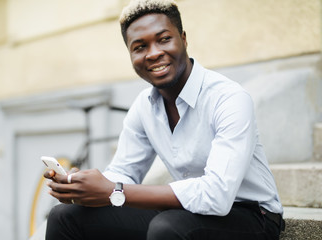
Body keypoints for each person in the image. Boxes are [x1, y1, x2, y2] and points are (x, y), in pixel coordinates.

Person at [44, 0, 285, 239]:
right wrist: (83, 186)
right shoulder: (144, 107)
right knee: (64, 216)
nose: (154, 53)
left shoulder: (228, 98)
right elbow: (124, 173)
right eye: (140, 47)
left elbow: (217, 196)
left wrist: (114, 191)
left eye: (164, 39)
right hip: (187, 211)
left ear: (183, 39)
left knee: (167, 227)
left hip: (253, 216)